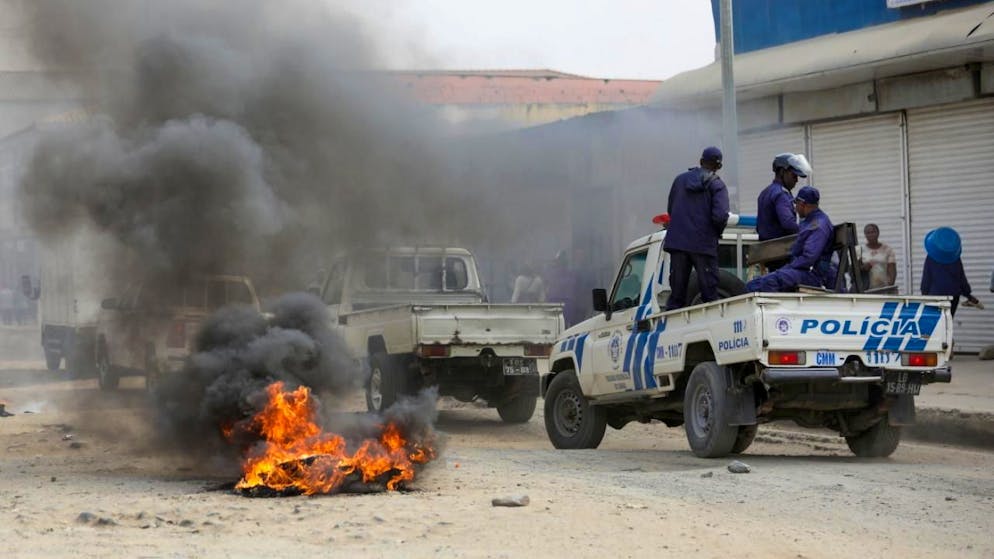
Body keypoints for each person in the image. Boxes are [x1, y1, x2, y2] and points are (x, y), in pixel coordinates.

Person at [663, 146, 730, 310]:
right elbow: (720, 216)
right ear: (719, 166)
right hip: (703, 245)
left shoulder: (679, 181)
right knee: (710, 297)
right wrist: (716, 232)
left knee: (676, 297)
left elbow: (671, 209)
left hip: (677, 243)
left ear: (700, 161)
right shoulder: (717, 185)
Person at [745, 186, 837, 292]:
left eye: (796, 203)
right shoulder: (810, 222)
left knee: (770, 281)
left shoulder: (819, 226)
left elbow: (809, 258)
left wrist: (789, 267)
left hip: (812, 276)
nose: (795, 208)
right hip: (803, 271)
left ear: (803, 204)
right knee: (759, 282)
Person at [920, 227, 979, 317]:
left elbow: (926, 278)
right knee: (948, 320)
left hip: (935, 296)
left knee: (936, 322)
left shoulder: (931, 258)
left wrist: (924, 294)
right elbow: (961, 278)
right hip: (953, 296)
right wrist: (968, 294)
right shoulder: (955, 258)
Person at [756, 153, 812, 241]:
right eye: (794, 176)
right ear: (782, 172)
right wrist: (808, 233)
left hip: (765, 245)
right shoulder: (781, 194)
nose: (796, 180)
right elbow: (788, 224)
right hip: (779, 247)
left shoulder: (764, 193)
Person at [859, 223, 897, 289]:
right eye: (868, 233)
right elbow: (855, 270)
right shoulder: (860, 250)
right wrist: (863, 268)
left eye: (873, 232)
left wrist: (890, 285)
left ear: (878, 233)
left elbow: (892, 268)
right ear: (865, 235)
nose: (871, 235)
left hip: (884, 288)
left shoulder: (887, 249)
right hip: (866, 289)